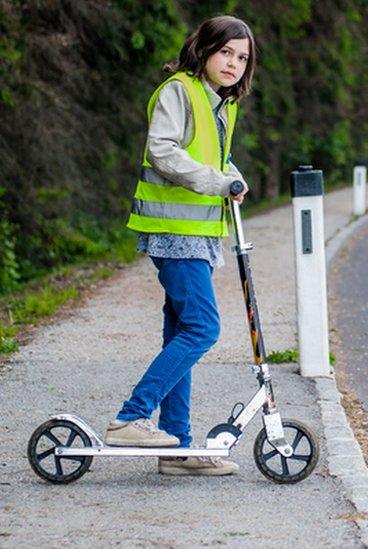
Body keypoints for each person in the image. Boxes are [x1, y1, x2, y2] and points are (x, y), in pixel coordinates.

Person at [105, 15, 256, 477]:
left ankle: (177, 445)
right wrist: (218, 181)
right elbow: (163, 151)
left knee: (181, 332)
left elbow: (213, 156)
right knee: (202, 328)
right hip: (173, 232)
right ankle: (131, 418)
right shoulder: (179, 90)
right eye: (226, 52)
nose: (233, 63)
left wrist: (233, 175)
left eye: (242, 58)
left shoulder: (222, 104)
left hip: (200, 235)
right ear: (205, 50)